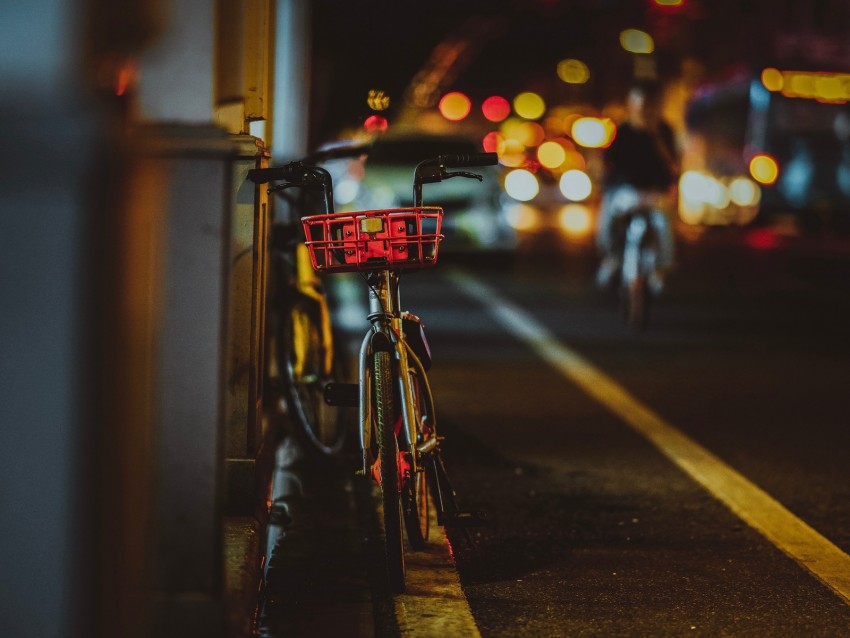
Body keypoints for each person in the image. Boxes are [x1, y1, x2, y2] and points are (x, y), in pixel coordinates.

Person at [596, 79, 680, 294]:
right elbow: (606, 163)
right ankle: (612, 258)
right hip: (626, 192)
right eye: (638, 105)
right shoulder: (622, 131)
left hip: (656, 193)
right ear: (631, 105)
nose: (642, 110)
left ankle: (660, 271)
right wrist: (603, 179)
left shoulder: (664, 131)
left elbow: (674, 165)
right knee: (609, 220)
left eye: (647, 105)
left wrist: (656, 137)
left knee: (664, 226)